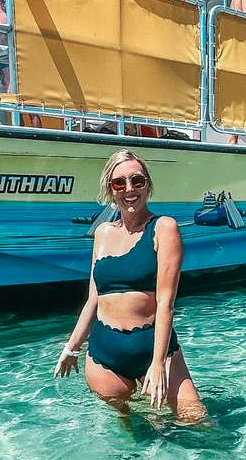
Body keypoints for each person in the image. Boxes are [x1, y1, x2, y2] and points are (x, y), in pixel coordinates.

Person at [55, 151, 205, 421]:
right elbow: (93, 299)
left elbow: (165, 303)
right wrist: (71, 347)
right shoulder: (102, 233)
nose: (129, 189)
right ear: (110, 189)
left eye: (137, 180)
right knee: (131, 435)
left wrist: (158, 364)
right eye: (119, 183)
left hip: (153, 348)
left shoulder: (164, 228)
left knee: (198, 422)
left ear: (147, 184)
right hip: (104, 355)